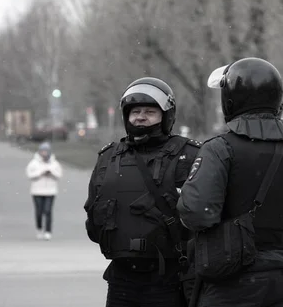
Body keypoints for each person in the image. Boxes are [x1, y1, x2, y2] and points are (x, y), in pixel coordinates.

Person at [177, 57, 283, 307]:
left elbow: (198, 214)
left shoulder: (219, 149)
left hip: (228, 278)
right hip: (279, 278)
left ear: (230, 101)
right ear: (277, 101)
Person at [83, 77, 201, 307]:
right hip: (121, 279)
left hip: (170, 278)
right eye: (135, 111)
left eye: (150, 111)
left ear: (166, 116)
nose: (140, 117)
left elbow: (205, 213)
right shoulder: (109, 158)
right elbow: (93, 214)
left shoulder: (189, 155)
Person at [26, 141, 63, 240]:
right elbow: (29, 175)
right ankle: (39, 228)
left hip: (50, 191)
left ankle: (48, 231)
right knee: (39, 212)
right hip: (37, 191)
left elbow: (59, 175)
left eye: (46, 151)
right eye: (42, 151)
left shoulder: (54, 163)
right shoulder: (34, 163)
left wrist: (51, 173)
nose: (44, 153)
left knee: (48, 211)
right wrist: (40, 173)